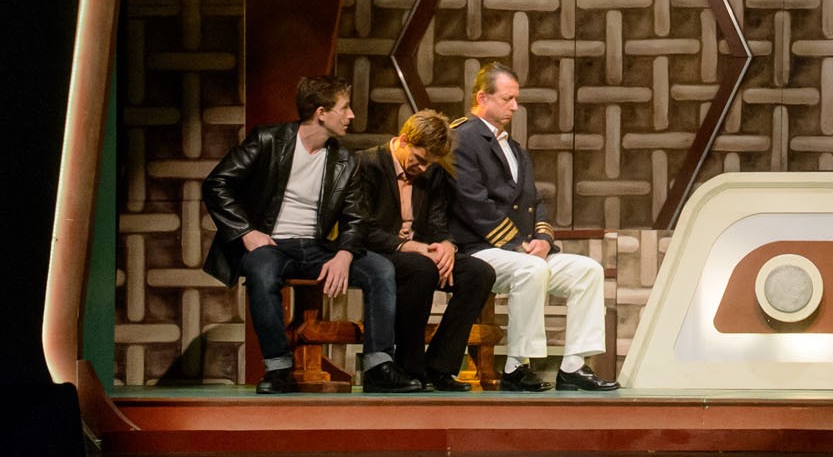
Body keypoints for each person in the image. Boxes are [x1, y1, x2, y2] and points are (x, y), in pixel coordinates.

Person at [201, 75, 421, 394]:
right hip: (272, 245)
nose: (351, 115)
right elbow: (217, 184)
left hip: (317, 248)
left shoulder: (344, 160)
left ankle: (378, 366)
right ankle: (278, 369)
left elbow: (356, 216)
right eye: (344, 108)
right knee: (261, 270)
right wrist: (246, 232)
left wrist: (344, 254)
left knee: (381, 269)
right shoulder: (268, 140)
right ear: (321, 112)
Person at [450, 63, 618, 391]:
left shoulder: (515, 148)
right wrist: (517, 245)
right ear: (482, 98)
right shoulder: (462, 139)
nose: (515, 106)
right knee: (532, 269)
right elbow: (473, 204)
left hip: (522, 252)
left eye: (516, 99)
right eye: (507, 99)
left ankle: (573, 367)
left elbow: (535, 201)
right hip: (479, 251)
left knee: (588, 271)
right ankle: (517, 366)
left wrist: (542, 239)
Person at [352, 108, 497, 392]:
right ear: (404, 140)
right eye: (419, 160)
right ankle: (410, 367)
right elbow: (363, 228)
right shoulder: (366, 164)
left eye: (429, 163)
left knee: (479, 273)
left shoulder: (432, 173)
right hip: (378, 250)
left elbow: (438, 221)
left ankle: (440, 366)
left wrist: (446, 246)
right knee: (422, 269)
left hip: (420, 251)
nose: (423, 169)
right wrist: (411, 247)